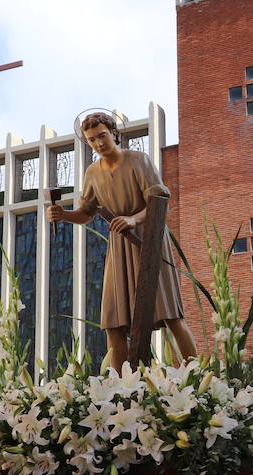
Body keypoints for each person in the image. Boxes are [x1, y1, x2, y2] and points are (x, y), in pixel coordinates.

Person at [46, 111, 196, 368]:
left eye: (102, 136)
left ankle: (198, 375)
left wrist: (133, 219)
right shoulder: (93, 173)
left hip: (149, 241)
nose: (98, 143)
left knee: (170, 313)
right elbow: (86, 213)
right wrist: (63, 215)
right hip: (119, 247)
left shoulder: (139, 160)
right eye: (92, 139)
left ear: (114, 133)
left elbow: (159, 201)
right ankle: (121, 390)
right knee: (113, 322)